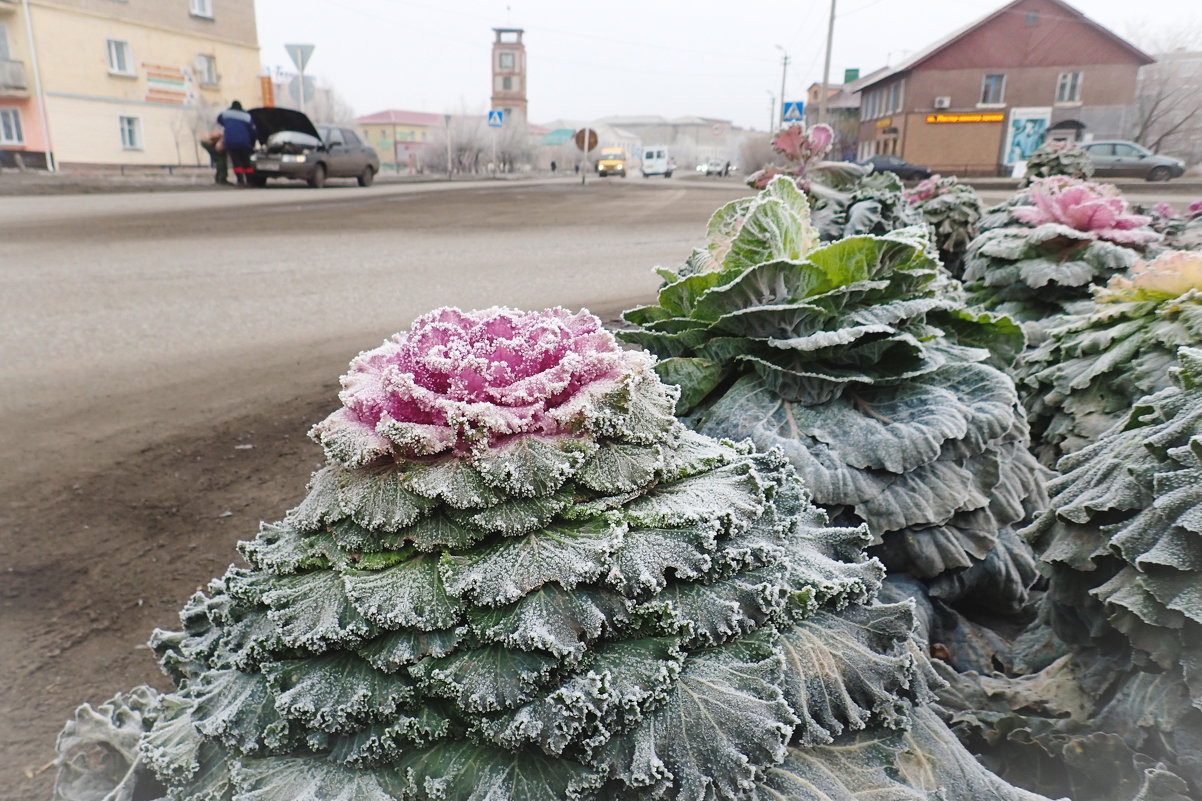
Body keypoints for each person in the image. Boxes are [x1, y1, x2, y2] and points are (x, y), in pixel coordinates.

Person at [216, 100, 257, 187]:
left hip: (231, 142)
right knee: (246, 163)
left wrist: (228, 125)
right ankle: (249, 181)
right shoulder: (247, 116)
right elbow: (253, 131)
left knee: (236, 162)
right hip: (245, 143)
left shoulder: (226, 113)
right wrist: (252, 144)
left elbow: (219, 119)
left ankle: (240, 181)